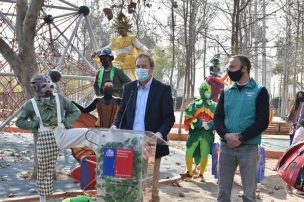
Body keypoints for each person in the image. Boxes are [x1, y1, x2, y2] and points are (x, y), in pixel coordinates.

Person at [112, 53, 175, 201]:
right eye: (138, 66)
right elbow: (121, 113)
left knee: (149, 189)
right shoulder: (129, 88)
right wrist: (115, 125)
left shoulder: (162, 89)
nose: (140, 69)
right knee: (130, 186)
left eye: (144, 66)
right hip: (129, 144)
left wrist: (160, 133)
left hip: (150, 145)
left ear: (151, 68)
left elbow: (169, 117)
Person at [16, 73, 80, 202]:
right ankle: (43, 199)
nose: (49, 91)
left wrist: (66, 122)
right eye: (45, 89)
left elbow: (75, 110)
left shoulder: (60, 98)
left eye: (50, 87)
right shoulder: (31, 104)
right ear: (37, 89)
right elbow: (19, 121)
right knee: (44, 168)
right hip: (45, 138)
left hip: (63, 133)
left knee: (86, 136)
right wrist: (35, 125)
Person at [214, 55, 270, 202]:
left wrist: (241, 137)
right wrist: (226, 136)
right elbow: (217, 118)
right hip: (226, 147)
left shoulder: (260, 91)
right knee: (223, 192)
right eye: (228, 67)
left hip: (248, 149)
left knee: (249, 194)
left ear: (244, 68)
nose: (229, 70)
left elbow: (262, 121)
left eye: (232, 67)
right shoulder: (226, 92)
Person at [71, 80, 121, 161]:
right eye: (106, 86)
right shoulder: (97, 100)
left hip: (113, 130)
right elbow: (85, 110)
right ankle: (97, 168)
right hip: (99, 130)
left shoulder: (119, 101)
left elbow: (124, 114)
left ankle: (110, 168)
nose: (108, 87)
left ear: (113, 88)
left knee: (111, 151)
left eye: (110, 86)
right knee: (99, 150)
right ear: (103, 88)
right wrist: (73, 103)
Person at [180, 82, 216, 182]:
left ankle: (201, 174)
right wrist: (198, 123)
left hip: (207, 135)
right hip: (194, 134)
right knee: (189, 151)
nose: (208, 93)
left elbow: (219, 119)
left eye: (209, 91)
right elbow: (188, 116)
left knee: (205, 154)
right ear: (201, 91)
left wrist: (210, 124)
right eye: (206, 91)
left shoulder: (214, 105)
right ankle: (189, 173)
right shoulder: (194, 104)